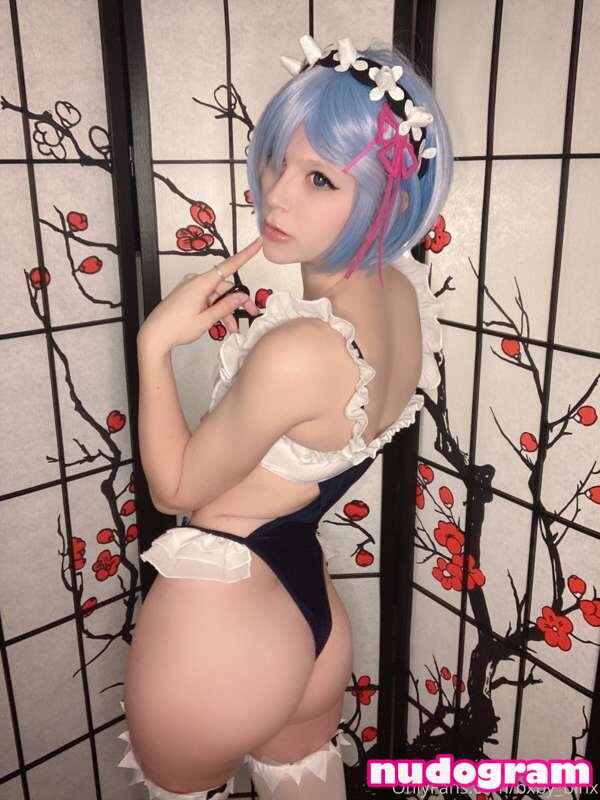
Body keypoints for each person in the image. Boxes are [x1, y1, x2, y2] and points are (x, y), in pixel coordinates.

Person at [117, 35, 452, 800]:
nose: (275, 194)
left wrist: (154, 345)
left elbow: (174, 489)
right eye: (276, 160)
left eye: (319, 177)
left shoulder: (301, 350)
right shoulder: (405, 301)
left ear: (390, 198)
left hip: (217, 625)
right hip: (308, 618)